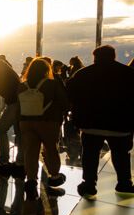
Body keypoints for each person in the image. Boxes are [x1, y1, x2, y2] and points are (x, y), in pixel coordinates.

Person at [67, 45, 134, 197]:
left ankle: (89, 184)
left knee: (90, 155)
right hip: (120, 125)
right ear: (114, 56)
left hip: (90, 124)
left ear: (95, 56)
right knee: (121, 155)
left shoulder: (83, 74)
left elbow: (70, 94)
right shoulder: (128, 73)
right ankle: (124, 183)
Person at [18, 58, 68, 198]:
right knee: (50, 149)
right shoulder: (52, 84)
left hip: (26, 122)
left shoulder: (22, 85)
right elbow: (64, 102)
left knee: (30, 152)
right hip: (48, 122)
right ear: (47, 70)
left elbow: (18, 106)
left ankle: (31, 180)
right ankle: (54, 176)